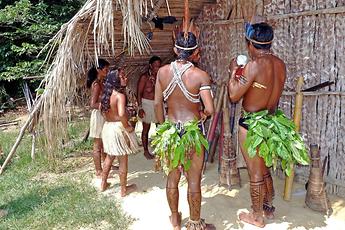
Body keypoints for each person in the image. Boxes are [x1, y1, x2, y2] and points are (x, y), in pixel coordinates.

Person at [153, 31, 215, 230]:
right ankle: (195, 224)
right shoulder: (200, 76)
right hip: (192, 133)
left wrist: (163, 128)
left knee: (172, 176)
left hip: (170, 131)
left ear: (174, 50)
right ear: (196, 51)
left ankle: (174, 219)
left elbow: (156, 104)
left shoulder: (162, 72)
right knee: (194, 179)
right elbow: (210, 109)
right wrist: (203, 115)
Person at [228, 22, 286, 227]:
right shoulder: (280, 64)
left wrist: (233, 71)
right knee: (264, 168)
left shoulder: (253, 66)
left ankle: (257, 216)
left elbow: (234, 95)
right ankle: (268, 207)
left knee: (255, 172)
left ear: (250, 44)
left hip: (251, 124)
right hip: (270, 122)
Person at [100, 69, 141, 197]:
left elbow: (103, 111)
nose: (125, 79)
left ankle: (103, 183)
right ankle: (124, 189)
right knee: (123, 159)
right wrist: (127, 126)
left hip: (108, 127)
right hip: (118, 129)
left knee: (110, 157)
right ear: (115, 80)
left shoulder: (106, 95)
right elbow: (122, 114)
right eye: (122, 77)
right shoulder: (120, 96)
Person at [87, 58, 110, 177]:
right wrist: (105, 104)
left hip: (103, 115)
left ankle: (106, 164)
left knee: (104, 142)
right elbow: (92, 104)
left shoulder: (102, 82)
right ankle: (98, 170)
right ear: (98, 70)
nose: (107, 71)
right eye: (106, 69)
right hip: (98, 116)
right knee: (97, 145)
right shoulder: (96, 84)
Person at [137, 56, 162, 159]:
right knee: (146, 129)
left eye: (159, 66)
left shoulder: (160, 77)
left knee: (160, 128)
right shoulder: (144, 77)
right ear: (150, 66)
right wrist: (140, 108)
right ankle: (146, 151)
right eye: (155, 66)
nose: (157, 68)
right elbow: (139, 93)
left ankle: (160, 149)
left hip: (157, 103)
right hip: (146, 104)